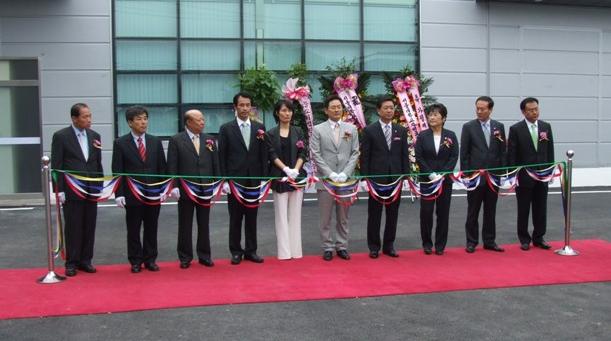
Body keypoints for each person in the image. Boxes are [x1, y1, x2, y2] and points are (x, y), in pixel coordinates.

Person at [112, 106, 167, 273]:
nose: (143, 122)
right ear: (130, 122)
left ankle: (150, 259)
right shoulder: (120, 143)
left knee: (152, 227)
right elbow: (117, 170)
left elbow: (162, 168)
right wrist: (119, 193)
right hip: (132, 193)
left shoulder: (155, 141)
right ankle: (135, 260)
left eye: (145, 118)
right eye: (139, 119)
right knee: (134, 228)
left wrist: (164, 188)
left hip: (152, 192)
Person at [51, 103, 103, 277]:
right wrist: (59, 189)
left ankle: (86, 260)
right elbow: (57, 165)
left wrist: (100, 185)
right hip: (72, 189)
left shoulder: (95, 136)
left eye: (90, 116)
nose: (89, 120)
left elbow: (97, 163)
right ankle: (71, 262)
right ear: (74, 118)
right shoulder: (61, 137)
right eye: (85, 117)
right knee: (74, 226)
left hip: (91, 188)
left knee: (90, 225)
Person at [218, 92, 268, 265]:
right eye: (242, 105)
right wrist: (224, 180)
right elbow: (221, 155)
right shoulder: (226, 128)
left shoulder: (259, 128)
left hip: (254, 180)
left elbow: (263, 154)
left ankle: (251, 251)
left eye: (248, 105)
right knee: (236, 217)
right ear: (235, 107)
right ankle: (236, 251)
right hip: (235, 180)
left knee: (252, 217)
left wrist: (263, 177)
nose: (245, 108)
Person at [167, 110, 220, 268]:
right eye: (198, 120)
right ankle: (185, 257)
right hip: (185, 188)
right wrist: (174, 186)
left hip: (205, 187)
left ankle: (204, 255)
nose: (202, 122)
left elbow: (215, 163)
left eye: (203, 119)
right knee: (185, 224)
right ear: (188, 122)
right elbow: (172, 165)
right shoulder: (176, 140)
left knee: (204, 223)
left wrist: (218, 183)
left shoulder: (209, 139)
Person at [310, 95, 360, 261]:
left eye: (339, 107)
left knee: (343, 217)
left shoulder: (350, 129)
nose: (337, 109)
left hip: (346, 179)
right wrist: (329, 173)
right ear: (326, 110)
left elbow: (355, 152)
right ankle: (327, 247)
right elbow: (315, 154)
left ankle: (342, 246)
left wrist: (346, 172)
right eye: (333, 107)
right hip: (326, 180)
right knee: (325, 217)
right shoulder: (318, 130)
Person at [360, 96, 410, 259]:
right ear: (378, 110)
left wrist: (406, 175)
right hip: (376, 177)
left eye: (392, 108)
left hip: (395, 177)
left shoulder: (400, 130)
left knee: (393, 213)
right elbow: (365, 156)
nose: (389, 110)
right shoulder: (369, 130)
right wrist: (365, 177)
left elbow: (404, 154)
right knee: (374, 213)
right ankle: (374, 246)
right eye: (386, 108)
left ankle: (389, 246)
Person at [460, 96, 506, 253]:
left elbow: (502, 152)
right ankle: (471, 241)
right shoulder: (468, 127)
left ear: (490, 109)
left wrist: (502, 173)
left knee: (490, 210)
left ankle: (489, 241)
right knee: (473, 210)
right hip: (475, 176)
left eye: (483, 109)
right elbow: (464, 153)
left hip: (493, 176)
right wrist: (467, 175)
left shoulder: (498, 126)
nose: (479, 111)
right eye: (477, 108)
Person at [508, 97, 555, 251]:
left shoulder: (545, 126)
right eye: (531, 110)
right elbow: (512, 154)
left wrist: (550, 171)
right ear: (523, 112)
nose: (535, 112)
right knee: (523, 208)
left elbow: (549, 151)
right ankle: (524, 238)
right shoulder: (516, 129)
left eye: (536, 109)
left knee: (541, 208)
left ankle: (539, 237)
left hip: (542, 175)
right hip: (524, 176)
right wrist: (512, 174)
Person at [415, 103, 459, 255]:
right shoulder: (422, 136)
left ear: (444, 118)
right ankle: (427, 243)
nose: (431, 117)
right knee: (426, 212)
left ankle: (440, 245)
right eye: (430, 115)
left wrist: (443, 174)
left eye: (435, 115)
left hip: (445, 181)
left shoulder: (451, 135)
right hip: (428, 180)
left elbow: (454, 157)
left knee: (443, 213)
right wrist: (430, 174)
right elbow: (419, 157)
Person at [266, 99, 307, 260]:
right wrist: (285, 169)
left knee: (295, 215)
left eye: (289, 110)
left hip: (297, 177)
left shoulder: (298, 131)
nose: (287, 113)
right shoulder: (271, 133)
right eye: (283, 110)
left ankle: (296, 251)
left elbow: (303, 152)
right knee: (281, 216)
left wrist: (296, 169)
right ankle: (284, 252)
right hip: (279, 178)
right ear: (277, 112)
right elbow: (271, 154)